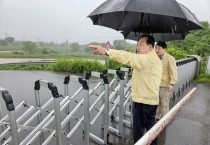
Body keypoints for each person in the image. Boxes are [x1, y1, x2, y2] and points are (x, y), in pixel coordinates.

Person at [90, 35, 162, 145]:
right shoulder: (154, 58)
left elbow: (128, 57)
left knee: (138, 134)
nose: (138, 47)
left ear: (150, 47)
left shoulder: (146, 59)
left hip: (142, 102)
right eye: (137, 45)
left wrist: (106, 51)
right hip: (151, 101)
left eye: (141, 44)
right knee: (151, 131)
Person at [155, 41, 178, 120]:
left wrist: (171, 84)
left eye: (159, 48)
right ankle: (157, 118)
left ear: (164, 49)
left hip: (165, 85)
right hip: (155, 85)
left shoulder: (170, 58)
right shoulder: (155, 57)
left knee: (164, 104)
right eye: (156, 48)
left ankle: (164, 120)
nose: (157, 50)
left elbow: (173, 72)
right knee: (156, 103)